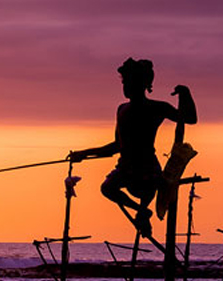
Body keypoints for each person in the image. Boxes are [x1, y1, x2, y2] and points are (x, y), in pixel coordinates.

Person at [69, 58, 197, 236]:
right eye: (124, 82)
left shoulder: (157, 108)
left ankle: (143, 212)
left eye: (130, 82)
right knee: (107, 188)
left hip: (147, 168)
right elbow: (117, 146)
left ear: (143, 84)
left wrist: (186, 94)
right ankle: (142, 211)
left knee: (148, 187)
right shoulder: (122, 109)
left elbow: (190, 118)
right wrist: (84, 153)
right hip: (125, 167)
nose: (126, 87)